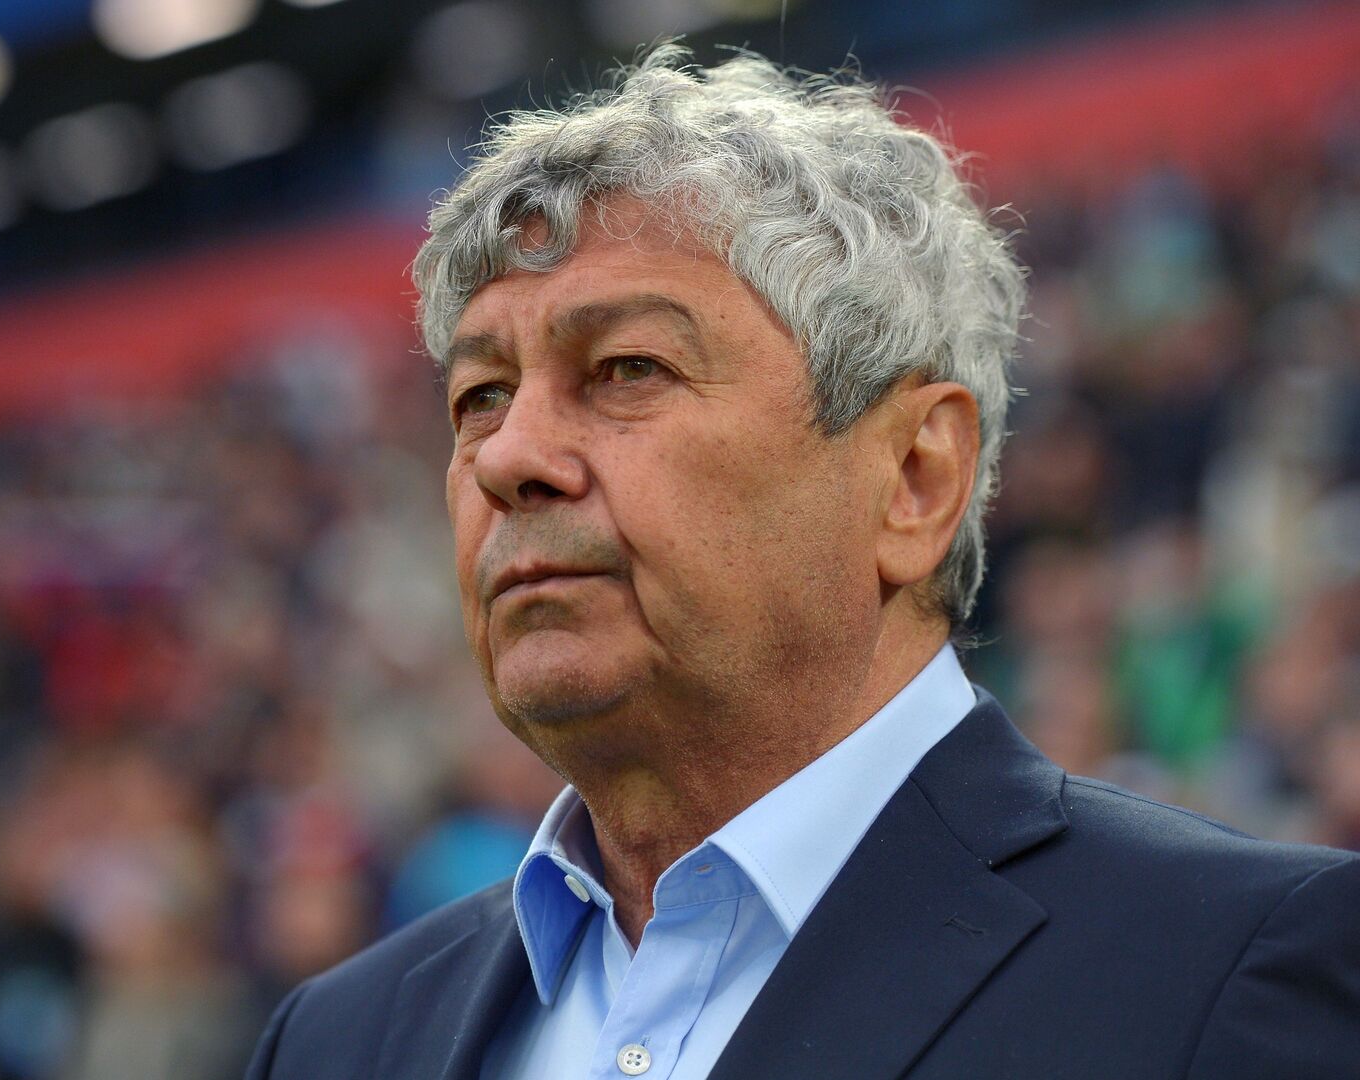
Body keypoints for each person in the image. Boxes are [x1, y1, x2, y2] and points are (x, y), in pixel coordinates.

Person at [244, 46, 1360, 1079]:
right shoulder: (330, 1044)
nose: (507, 457)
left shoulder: (1233, 970)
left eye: (627, 368)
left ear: (915, 476)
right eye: (479, 396)